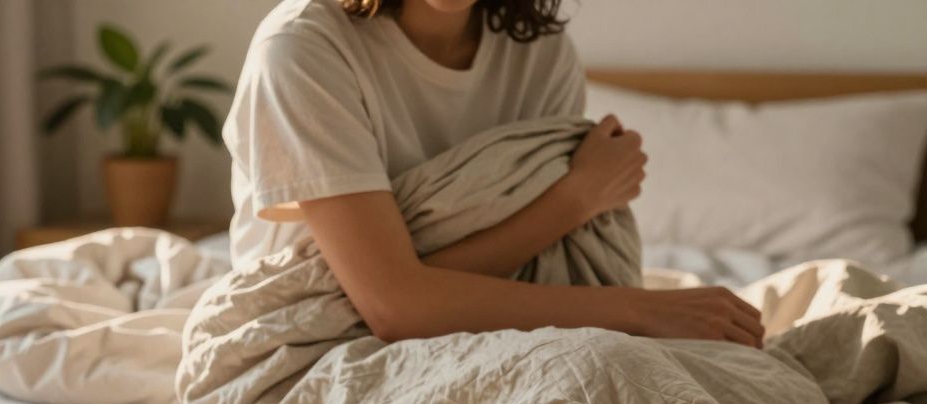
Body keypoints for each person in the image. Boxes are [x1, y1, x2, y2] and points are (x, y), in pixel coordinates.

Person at [225, 0, 765, 347]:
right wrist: (578, 203)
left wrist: (416, 291)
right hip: (308, 340)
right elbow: (391, 309)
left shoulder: (541, 53)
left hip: (483, 319)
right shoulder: (302, 49)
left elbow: (437, 293)